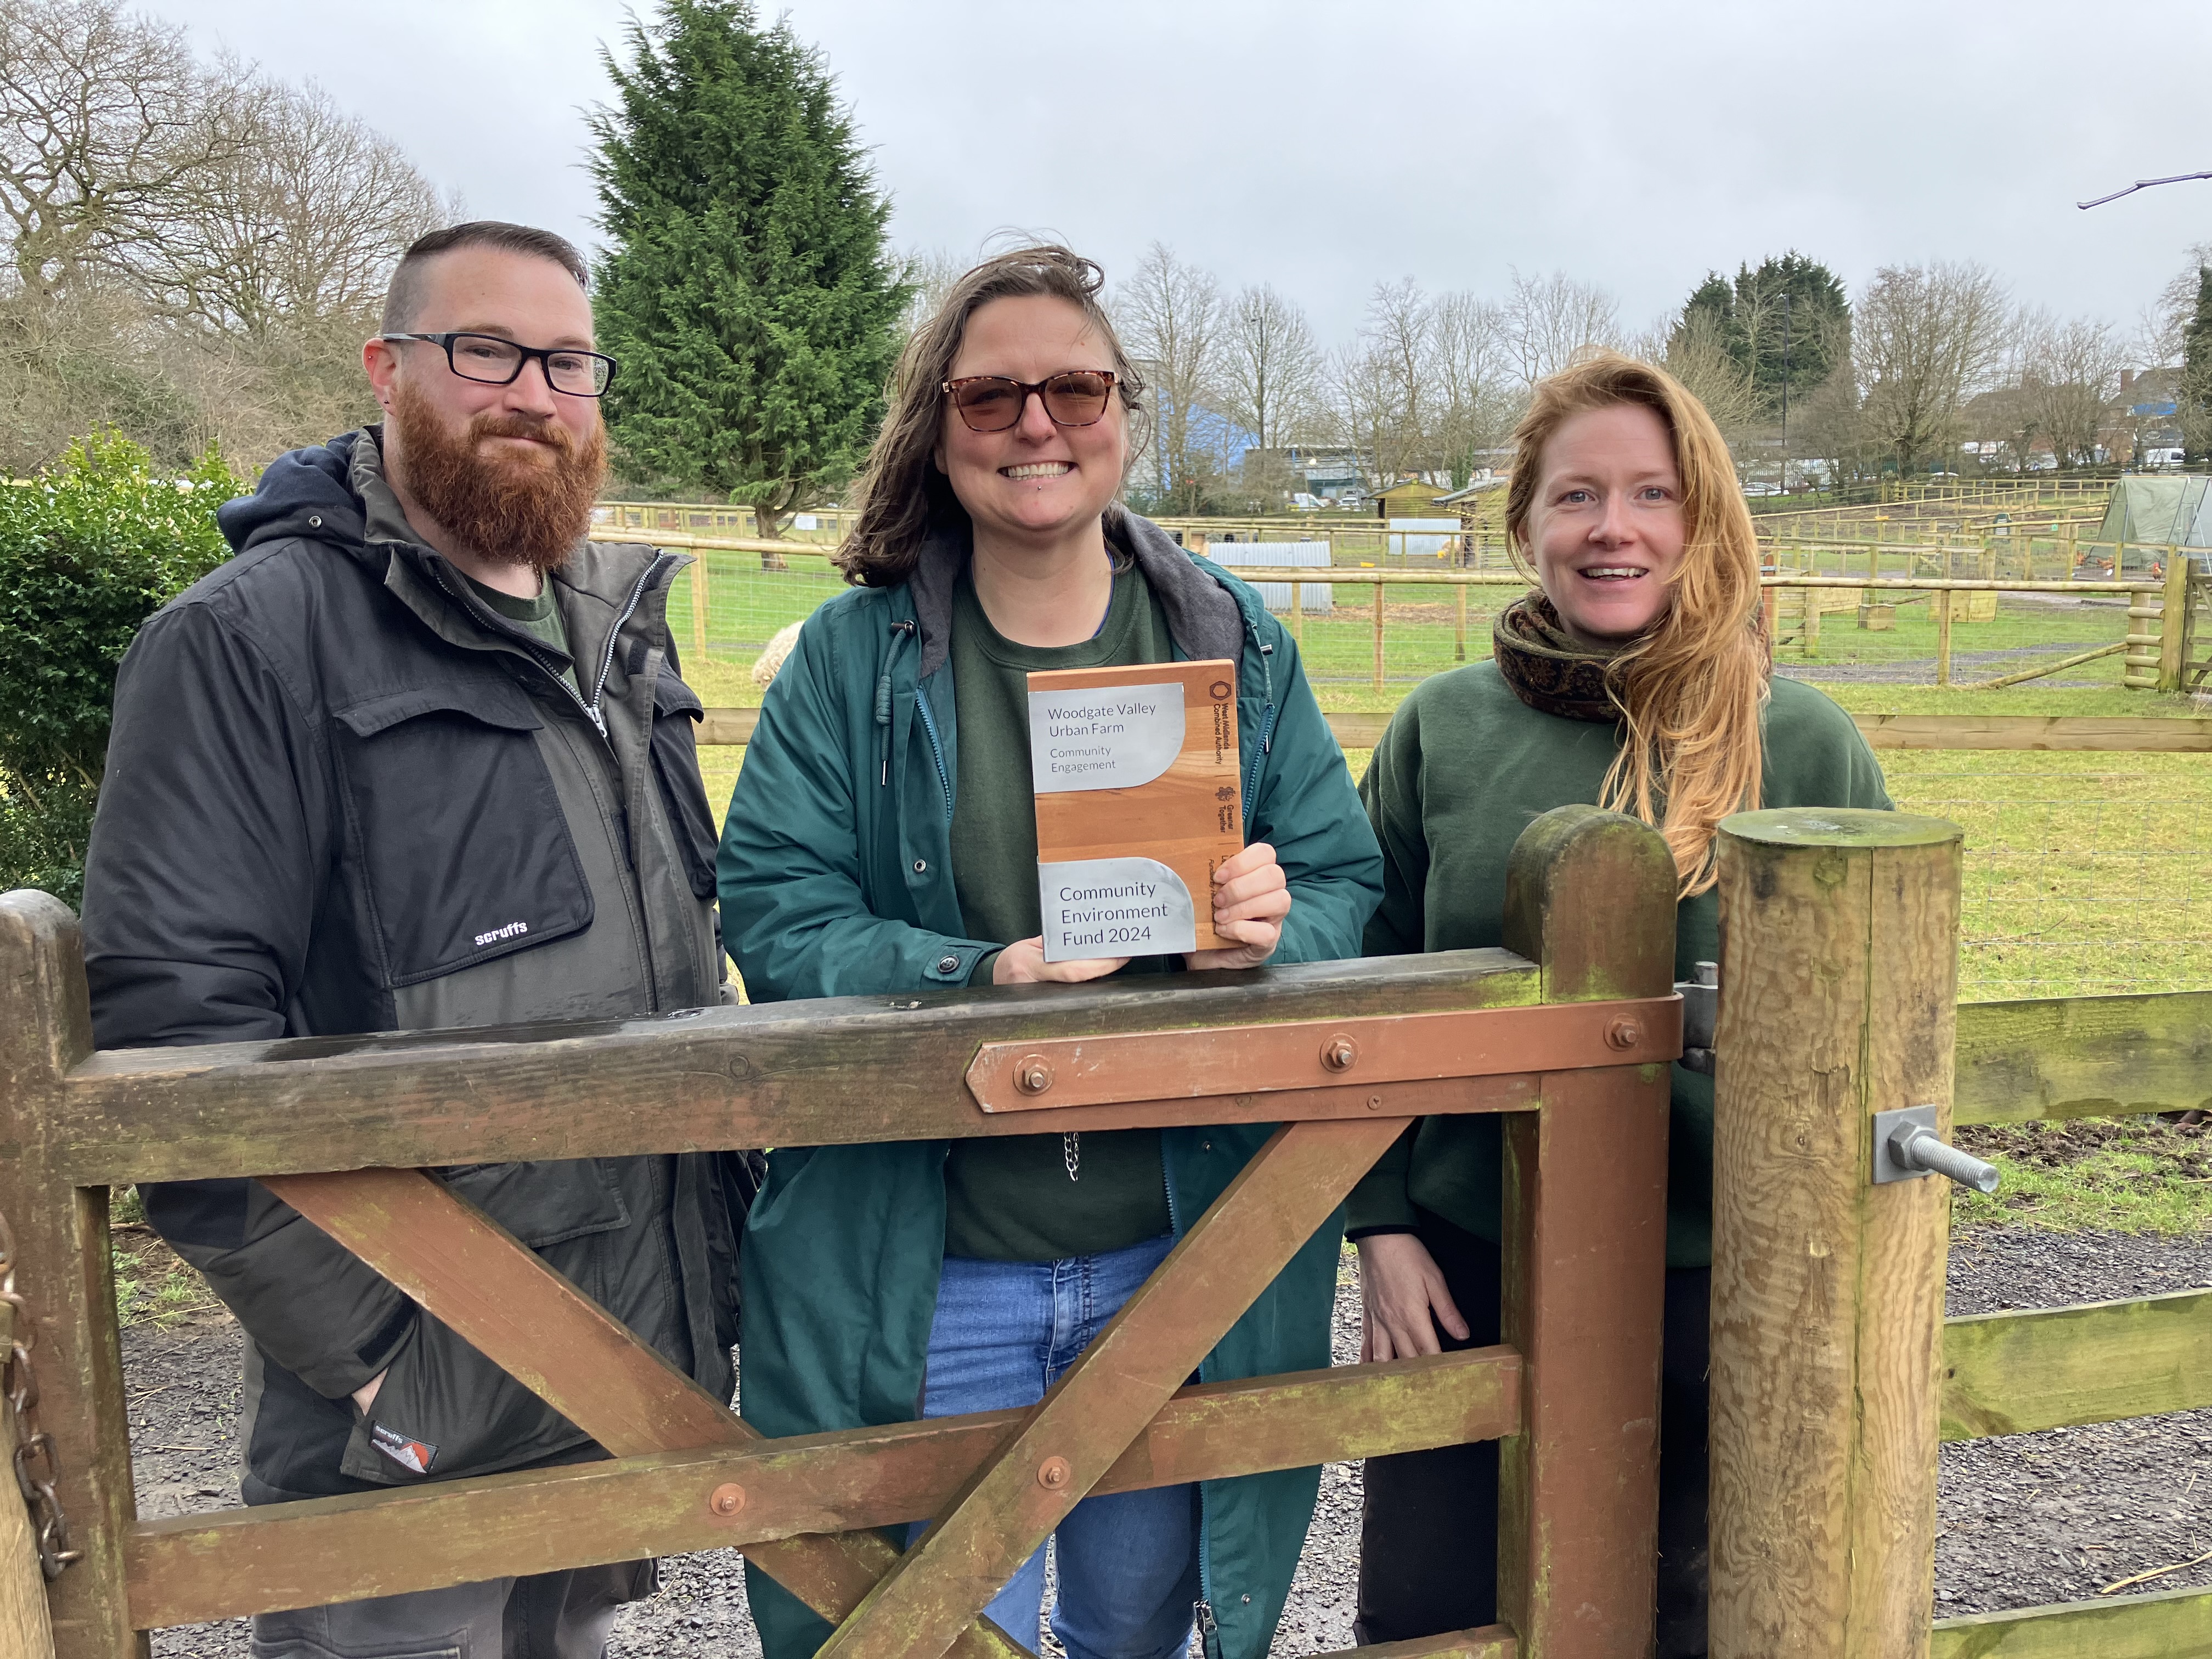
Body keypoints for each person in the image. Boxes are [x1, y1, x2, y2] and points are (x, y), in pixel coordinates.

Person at [78, 221, 746, 1656]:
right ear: (389, 370)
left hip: (618, 1360)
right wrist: (386, 1366)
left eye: (567, 360)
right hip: (409, 1404)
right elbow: (175, 1044)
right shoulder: (250, 644)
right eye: (484, 351)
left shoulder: (616, 638)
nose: (531, 392)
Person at [718, 245, 1383, 1659]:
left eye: (1074, 387)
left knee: (1138, 1633)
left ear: (1124, 413)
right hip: (929, 1268)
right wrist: (978, 979)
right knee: (930, 1634)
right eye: (992, 394)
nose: (1037, 423)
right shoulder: (850, 661)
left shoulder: (1231, 639)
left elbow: (1342, 874)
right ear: (938, 427)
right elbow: (774, 907)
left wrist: (1273, 932)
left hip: (1177, 1252)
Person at [1346, 352, 1891, 1655]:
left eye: (1652, 493)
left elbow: (1882, 1024)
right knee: (1440, 1615)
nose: (1613, 528)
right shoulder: (1441, 731)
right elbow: (1362, 986)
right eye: (1577, 494)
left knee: (1704, 1615)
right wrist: (1378, 1230)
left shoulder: (1799, 740)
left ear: (1699, 520)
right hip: (1472, 1259)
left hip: (1726, 1280)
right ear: (1524, 521)